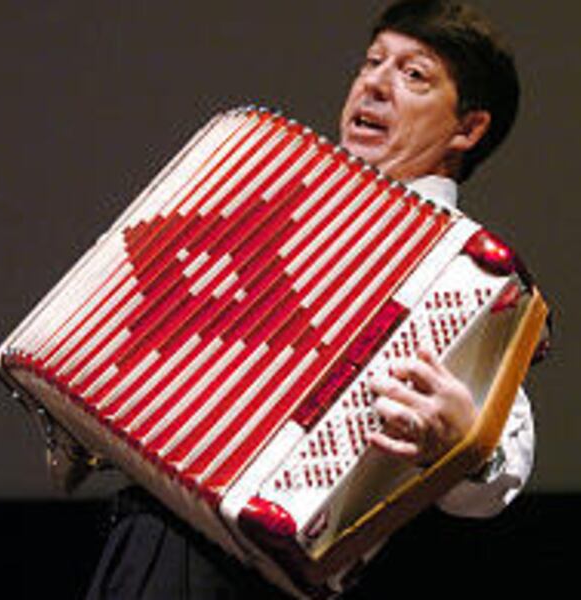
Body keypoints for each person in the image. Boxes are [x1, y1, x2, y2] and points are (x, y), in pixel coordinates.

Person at [86, 1, 535, 597]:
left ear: (467, 129)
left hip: (258, 571)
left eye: (413, 74)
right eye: (371, 62)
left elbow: (506, 460)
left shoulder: (460, 274)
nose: (374, 83)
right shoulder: (269, 204)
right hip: (150, 539)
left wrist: (469, 449)